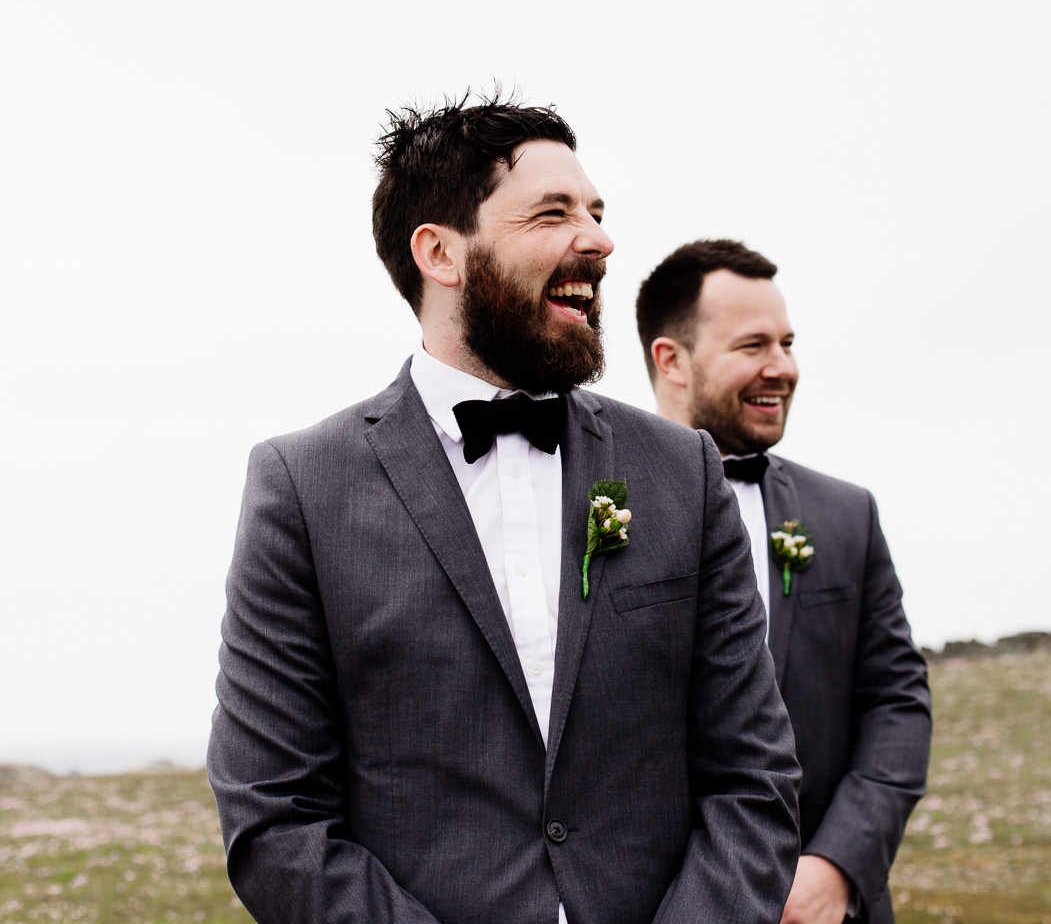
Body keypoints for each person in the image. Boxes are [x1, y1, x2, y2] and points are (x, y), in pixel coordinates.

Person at [207, 98, 801, 924]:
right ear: (441, 253)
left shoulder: (682, 471)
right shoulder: (302, 487)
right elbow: (275, 819)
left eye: (596, 213)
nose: (597, 240)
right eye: (553, 214)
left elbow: (755, 778)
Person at [635, 240, 931, 924]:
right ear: (671, 360)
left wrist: (836, 867)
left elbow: (897, 702)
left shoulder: (846, 514)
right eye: (753, 346)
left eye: (788, 343)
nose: (784, 368)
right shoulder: (591, 511)